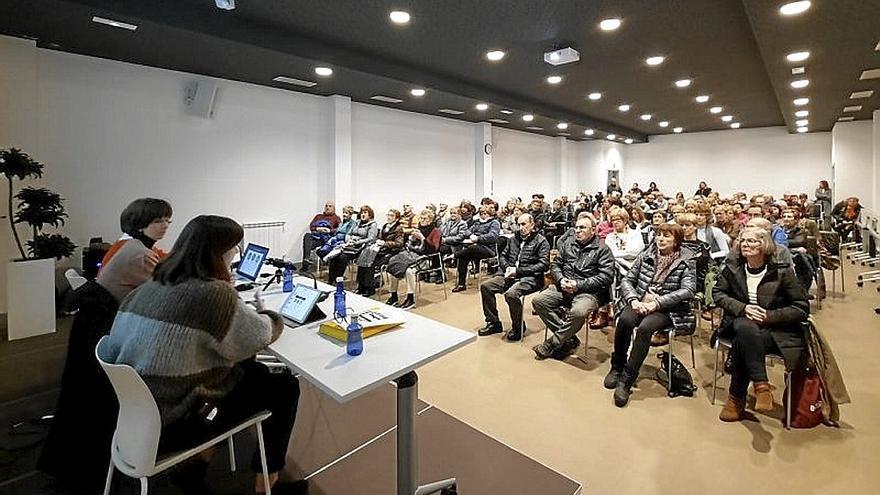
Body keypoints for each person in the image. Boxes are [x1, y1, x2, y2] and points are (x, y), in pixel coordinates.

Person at [98, 215, 306, 494]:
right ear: (219, 254)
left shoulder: (149, 287)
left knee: (246, 372)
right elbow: (259, 335)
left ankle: (197, 464)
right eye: (233, 250)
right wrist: (269, 314)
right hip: (177, 419)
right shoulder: (212, 294)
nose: (235, 255)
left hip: (136, 414)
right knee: (284, 386)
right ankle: (266, 483)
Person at [713, 226, 809, 423]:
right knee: (745, 328)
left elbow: (801, 308)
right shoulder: (733, 266)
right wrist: (743, 308)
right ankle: (761, 385)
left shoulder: (782, 271)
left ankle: (735, 399)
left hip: (776, 331)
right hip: (740, 321)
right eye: (743, 241)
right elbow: (718, 293)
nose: (745, 245)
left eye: (752, 241)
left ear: (764, 244)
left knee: (743, 341)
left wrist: (768, 316)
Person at [605, 223, 697, 407]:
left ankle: (627, 379)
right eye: (659, 235)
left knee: (645, 328)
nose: (661, 239)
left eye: (667, 236)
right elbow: (628, 280)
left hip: (667, 308)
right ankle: (617, 366)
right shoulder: (646, 254)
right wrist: (633, 300)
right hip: (640, 301)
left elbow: (688, 289)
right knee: (624, 320)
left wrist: (657, 303)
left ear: (677, 241)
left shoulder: (687, 260)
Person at [532, 214, 616, 360]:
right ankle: (569, 339)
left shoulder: (603, 250)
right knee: (539, 301)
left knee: (578, 312)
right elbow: (555, 265)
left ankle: (552, 343)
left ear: (593, 230)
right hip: (564, 287)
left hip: (588, 292)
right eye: (576, 227)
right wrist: (561, 279)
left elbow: (606, 277)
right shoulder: (568, 244)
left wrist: (578, 285)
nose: (577, 230)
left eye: (582, 227)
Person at [479, 214, 550, 341]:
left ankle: (518, 327)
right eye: (519, 224)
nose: (520, 227)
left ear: (532, 225)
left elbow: (543, 265)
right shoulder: (513, 239)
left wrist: (518, 271)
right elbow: (503, 256)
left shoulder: (541, 241)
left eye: (524, 224)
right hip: (509, 274)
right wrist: (507, 268)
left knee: (511, 294)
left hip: (529, 278)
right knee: (486, 286)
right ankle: (493, 323)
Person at [97, 198, 173, 302]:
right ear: (139, 224)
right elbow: (164, 288)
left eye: (167, 220)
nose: (165, 226)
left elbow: (163, 258)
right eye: (157, 221)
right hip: (119, 312)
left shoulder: (134, 244)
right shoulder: (138, 253)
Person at [386, 209, 441, 309]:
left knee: (409, 271)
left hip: (426, 258)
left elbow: (434, 250)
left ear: (430, 220)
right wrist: (411, 239)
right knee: (392, 265)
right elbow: (408, 245)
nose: (422, 220)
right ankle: (393, 296)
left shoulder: (435, 231)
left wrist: (422, 238)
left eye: (425, 218)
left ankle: (410, 299)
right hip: (412, 254)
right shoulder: (418, 229)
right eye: (421, 218)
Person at [451, 205, 501, 292]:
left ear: (489, 214)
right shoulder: (477, 222)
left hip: (488, 249)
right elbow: (467, 230)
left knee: (471, 249)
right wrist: (471, 235)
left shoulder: (494, 223)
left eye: (485, 213)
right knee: (463, 256)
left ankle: (454, 255)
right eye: (481, 213)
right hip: (475, 248)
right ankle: (461, 284)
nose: (483, 215)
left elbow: (493, 236)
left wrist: (478, 238)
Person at [355, 209, 404, 296]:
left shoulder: (398, 228)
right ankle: (361, 286)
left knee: (370, 263)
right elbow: (380, 237)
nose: (389, 217)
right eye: (388, 215)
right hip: (381, 250)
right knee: (363, 258)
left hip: (391, 252)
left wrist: (385, 243)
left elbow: (399, 243)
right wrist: (379, 241)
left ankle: (369, 288)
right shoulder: (385, 226)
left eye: (391, 216)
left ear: (396, 219)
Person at [327, 206, 378, 283]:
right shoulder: (357, 222)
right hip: (350, 245)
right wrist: (349, 239)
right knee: (334, 256)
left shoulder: (372, 225)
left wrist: (357, 242)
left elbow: (371, 238)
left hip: (361, 248)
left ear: (370, 215)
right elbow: (349, 233)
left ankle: (338, 280)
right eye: (362, 213)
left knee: (342, 258)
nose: (363, 215)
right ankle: (331, 280)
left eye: (365, 213)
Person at [300, 201, 341, 272]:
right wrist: (317, 228)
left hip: (326, 239)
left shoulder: (336, 218)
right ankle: (306, 260)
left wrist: (329, 230)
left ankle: (305, 265)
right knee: (307, 235)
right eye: (326, 206)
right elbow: (311, 226)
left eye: (330, 206)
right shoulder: (318, 216)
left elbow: (339, 229)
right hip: (316, 237)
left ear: (334, 209)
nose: (327, 207)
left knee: (308, 244)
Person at [604, 207, 645, 275]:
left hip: (634, 268)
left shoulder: (635, 233)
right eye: (613, 220)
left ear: (625, 221)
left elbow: (635, 252)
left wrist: (617, 255)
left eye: (618, 219)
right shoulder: (609, 237)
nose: (615, 222)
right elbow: (609, 255)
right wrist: (625, 254)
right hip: (615, 268)